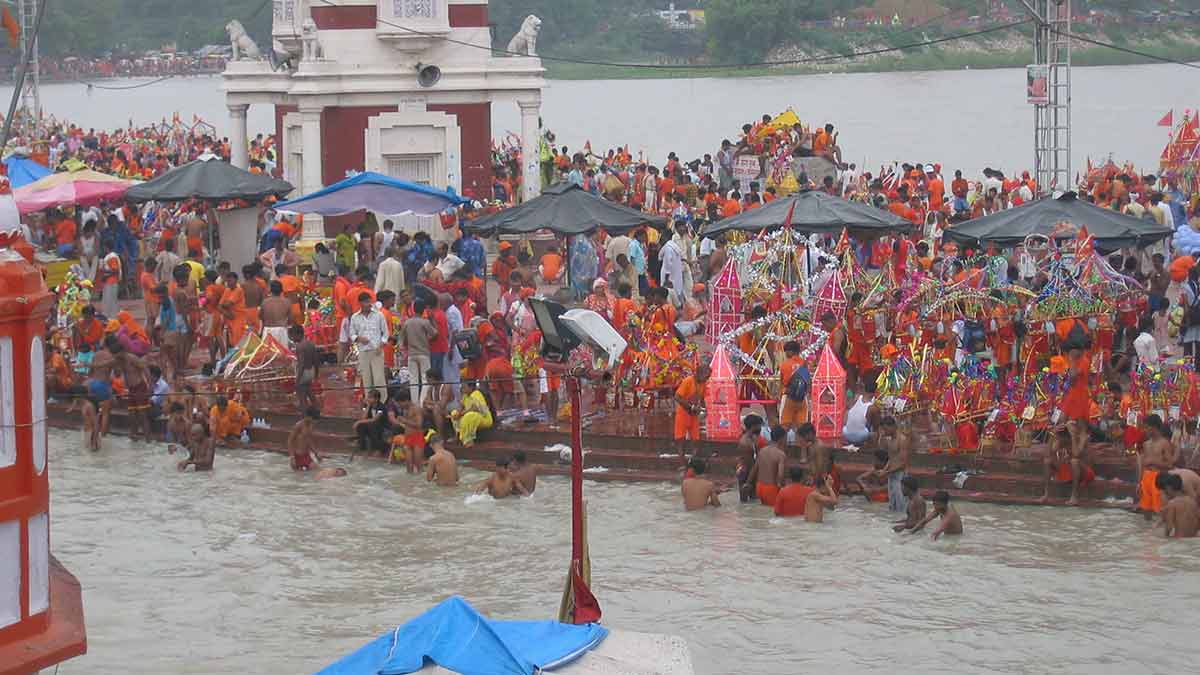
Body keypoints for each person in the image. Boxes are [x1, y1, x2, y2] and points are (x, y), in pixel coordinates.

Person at [349, 291, 389, 402]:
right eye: (366, 302)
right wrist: (359, 338)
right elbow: (351, 334)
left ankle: (382, 402)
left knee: (379, 378)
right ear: (360, 303)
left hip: (377, 351)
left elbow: (385, 333)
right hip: (363, 351)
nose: (369, 304)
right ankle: (370, 403)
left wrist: (381, 344)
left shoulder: (378, 315)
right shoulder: (354, 317)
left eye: (369, 301)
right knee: (367, 379)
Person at [1137, 414, 1179, 518]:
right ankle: (1146, 533)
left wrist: (1154, 462)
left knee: (1158, 510)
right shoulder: (1146, 444)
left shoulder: (1164, 443)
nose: (1145, 430)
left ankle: (1158, 533)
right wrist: (1139, 483)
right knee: (1146, 511)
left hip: (1158, 478)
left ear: (1154, 427)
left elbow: (1170, 465)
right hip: (1146, 477)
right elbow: (1143, 465)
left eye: (1146, 427)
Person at [399, 301, 438, 405]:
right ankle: (422, 403)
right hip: (423, 353)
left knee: (413, 380)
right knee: (425, 379)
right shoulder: (424, 322)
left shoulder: (407, 322)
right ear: (423, 310)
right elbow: (434, 334)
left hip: (411, 354)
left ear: (413, 309)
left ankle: (414, 403)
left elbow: (403, 339)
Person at [673, 364, 711, 458]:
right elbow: (677, 397)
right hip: (683, 414)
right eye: (706, 377)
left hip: (694, 415)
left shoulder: (703, 383)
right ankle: (682, 464)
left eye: (708, 377)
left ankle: (693, 463)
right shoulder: (688, 381)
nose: (707, 379)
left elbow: (702, 398)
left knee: (696, 440)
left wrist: (704, 409)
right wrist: (691, 407)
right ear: (699, 374)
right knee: (681, 441)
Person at [876, 417, 911, 512]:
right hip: (891, 475)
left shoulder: (902, 440)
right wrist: (884, 470)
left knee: (901, 506)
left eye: (886, 429)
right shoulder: (890, 440)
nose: (884, 431)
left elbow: (903, 463)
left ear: (893, 427)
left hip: (901, 476)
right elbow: (891, 459)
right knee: (892, 505)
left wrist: (886, 472)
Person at [747, 426, 787, 506]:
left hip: (759, 487)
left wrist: (748, 482)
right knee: (773, 512)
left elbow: (755, 469)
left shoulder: (762, 451)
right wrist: (782, 487)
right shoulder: (781, 454)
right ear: (781, 439)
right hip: (771, 489)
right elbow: (780, 475)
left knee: (764, 511)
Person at [452, 379, 494, 447]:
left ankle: (469, 440)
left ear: (470, 387)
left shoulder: (476, 394)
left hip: (484, 418)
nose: (462, 388)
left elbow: (475, 408)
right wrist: (458, 413)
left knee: (470, 416)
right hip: (469, 416)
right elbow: (461, 407)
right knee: (454, 413)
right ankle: (457, 435)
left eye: (464, 387)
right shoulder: (465, 395)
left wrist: (461, 414)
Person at [290, 324, 320, 413]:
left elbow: (301, 364)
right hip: (311, 371)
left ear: (297, 334)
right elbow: (316, 361)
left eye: (292, 336)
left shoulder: (300, 346)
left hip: (303, 373)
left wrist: (297, 380)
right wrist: (316, 375)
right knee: (310, 393)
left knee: (302, 397)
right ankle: (317, 412)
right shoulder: (311, 344)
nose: (292, 338)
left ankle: (304, 416)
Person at [735, 414, 765, 502]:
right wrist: (749, 481)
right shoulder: (745, 443)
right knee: (744, 500)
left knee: (754, 498)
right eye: (759, 425)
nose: (760, 427)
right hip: (744, 472)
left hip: (749, 470)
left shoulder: (752, 438)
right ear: (753, 426)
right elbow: (749, 463)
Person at [1159, 473, 1200, 538]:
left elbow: (1169, 527)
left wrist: (1165, 537)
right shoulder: (1193, 502)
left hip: (1179, 540)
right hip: (1193, 539)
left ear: (1169, 488)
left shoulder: (1172, 504)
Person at [289, 407, 324, 471]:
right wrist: (292, 457)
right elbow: (290, 441)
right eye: (313, 419)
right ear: (308, 416)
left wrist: (316, 453)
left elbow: (308, 440)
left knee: (318, 471)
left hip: (306, 456)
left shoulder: (311, 425)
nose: (315, 421)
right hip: (297, 456)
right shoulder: (298, 425)